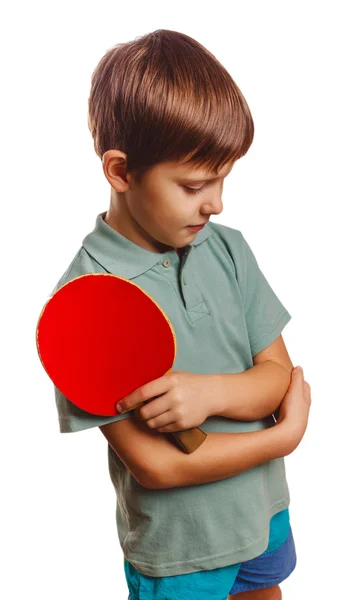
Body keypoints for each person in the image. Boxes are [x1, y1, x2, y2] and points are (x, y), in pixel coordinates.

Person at [49, 29, 312, 600]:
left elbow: (278, 378)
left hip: (262, 514)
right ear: (120, 172)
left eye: (222, 179)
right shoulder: (84, 302)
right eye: (194, 184)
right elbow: (157, 468)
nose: (216, 202)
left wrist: (210, 395)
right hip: (181, 551)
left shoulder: (229, 248)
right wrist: (283, 437)